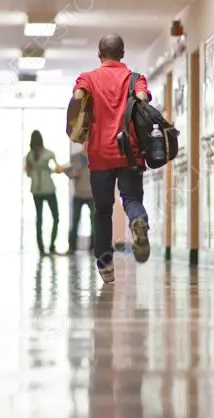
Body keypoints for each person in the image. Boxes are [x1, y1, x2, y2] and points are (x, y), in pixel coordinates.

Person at [66, 33, 151, 285]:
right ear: (122, 54)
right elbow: (144, 100)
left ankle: (105, 264)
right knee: (132, 199)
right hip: (130, 151)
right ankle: (138, 221)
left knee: (102, 210)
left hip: (100, 154)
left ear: (99, 53)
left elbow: (79, 97)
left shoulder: (88, 78)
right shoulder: (135, 79)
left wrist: (75, 127)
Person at [24, 130, 62, 256]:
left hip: (36, 189)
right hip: (49, 189)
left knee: (39, 219)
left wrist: (37, 170)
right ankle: (52, 247)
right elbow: (58, 169)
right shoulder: (49, 154)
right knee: (56, 217)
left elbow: (28, 174)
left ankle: (41, 249)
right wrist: (48, 170)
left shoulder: (29, 156)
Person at [66, 141, 94, 254]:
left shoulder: (95, 156)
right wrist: (73, 173)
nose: (87, 144)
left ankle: (93, 247)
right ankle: (72, 247)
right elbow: (69, 172)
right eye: (85, 142)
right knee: (75, 221)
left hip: (91, 194)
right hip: (78, 194)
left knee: (94, 222)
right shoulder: (75, 157)